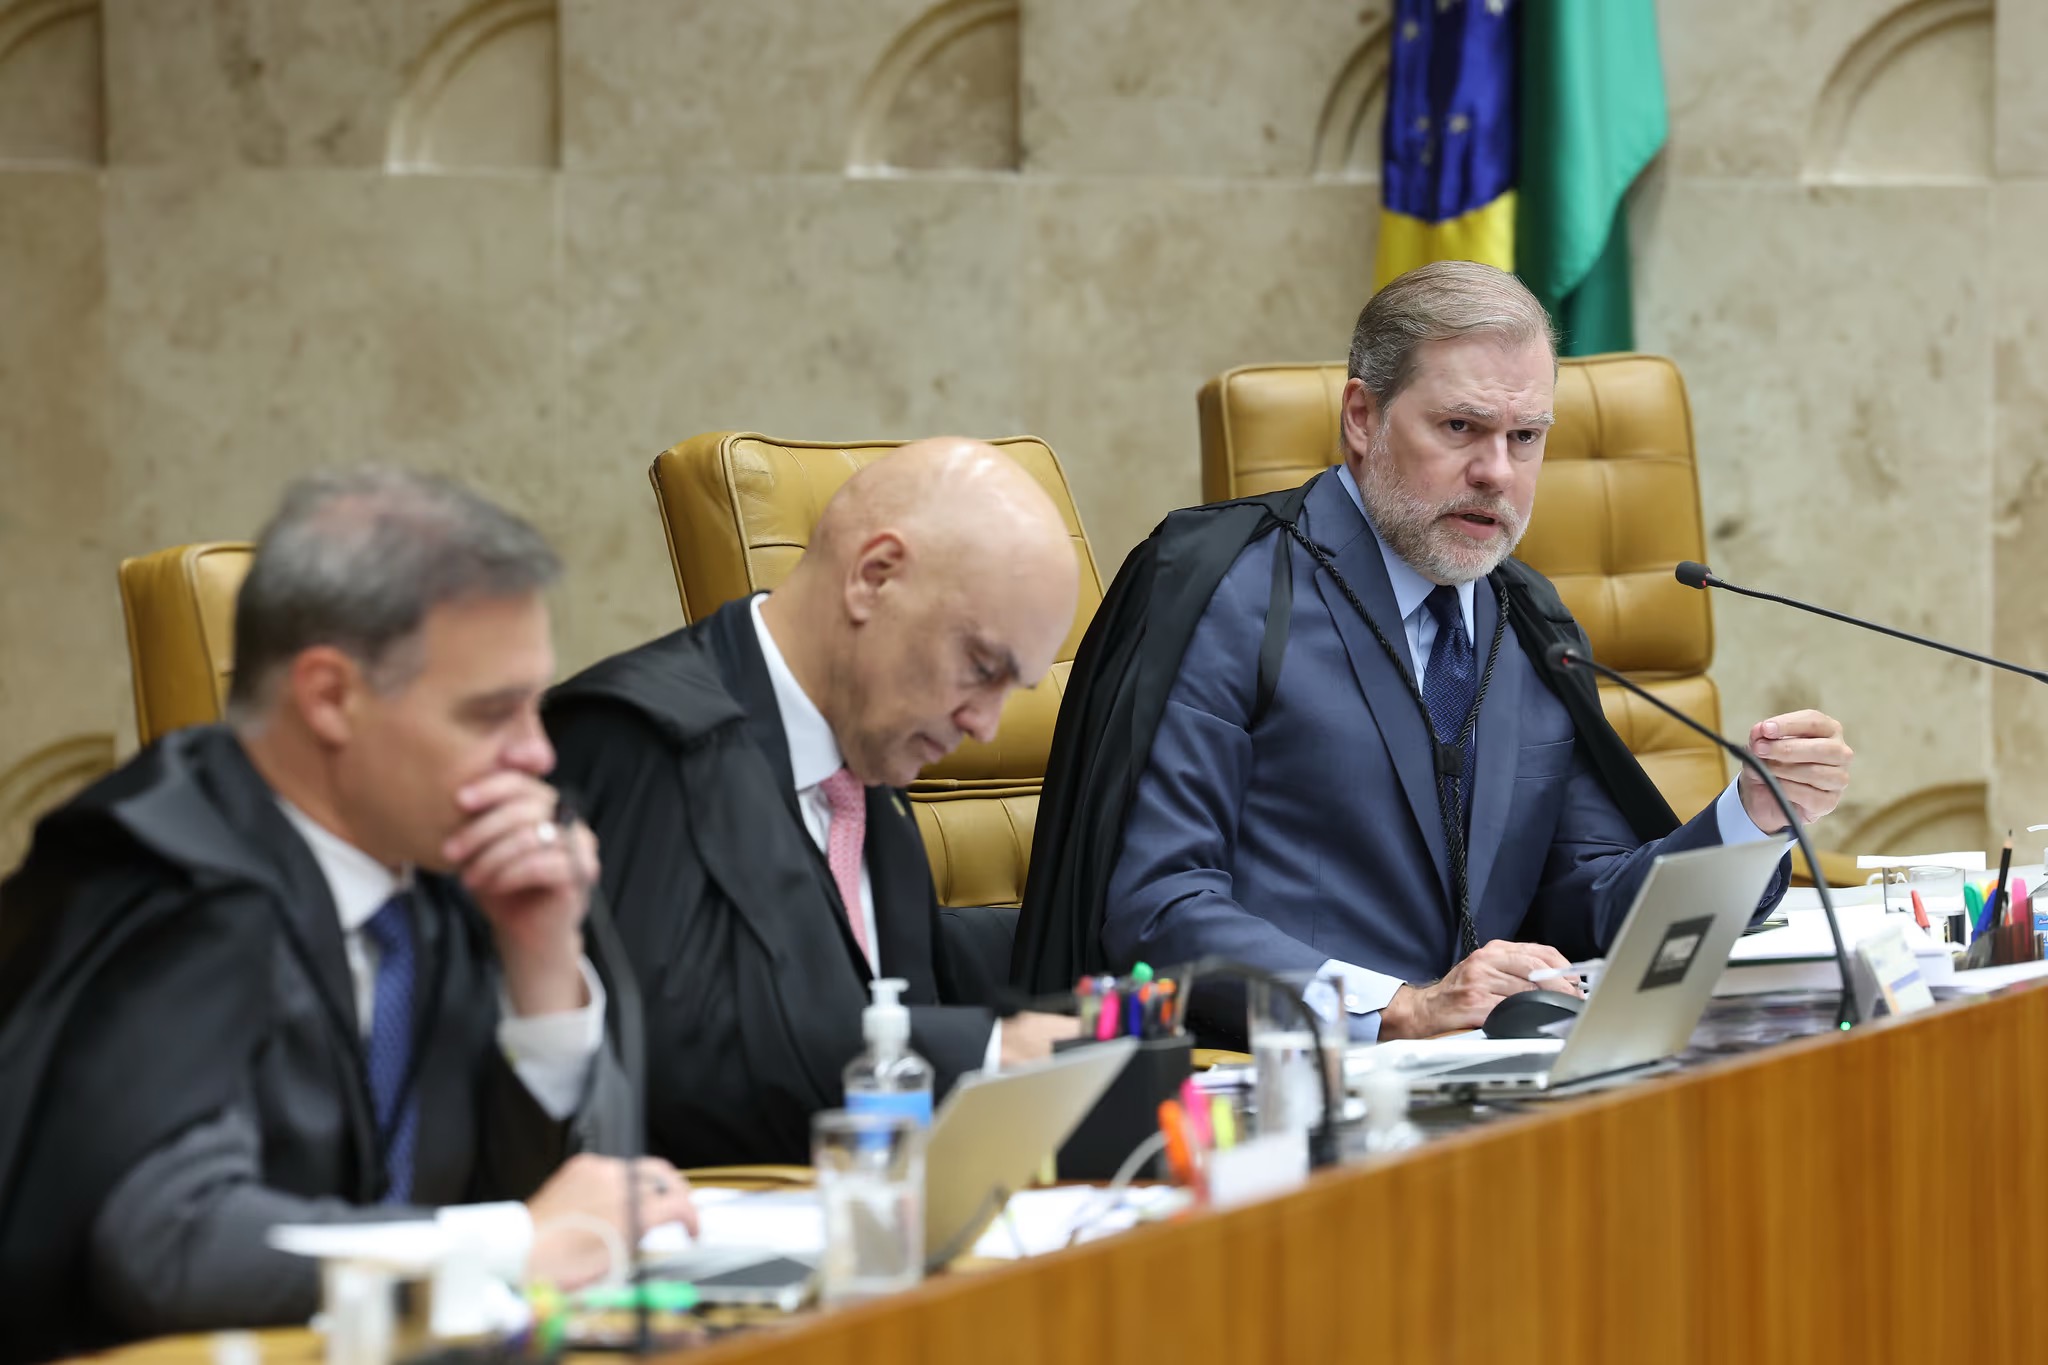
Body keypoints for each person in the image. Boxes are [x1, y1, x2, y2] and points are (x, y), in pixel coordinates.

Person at [1015, 261, 1853, 1042]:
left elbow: (1587, 901)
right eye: (1461, 427)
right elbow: (1158, 906)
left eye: (1526, 437)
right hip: (1286, 1092)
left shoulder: (1529, 622)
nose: (1497, 471)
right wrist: (1396, 1007)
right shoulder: (1225, 589)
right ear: (1361, 417)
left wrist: (1754, 820)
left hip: (1500, 1094)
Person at [0, 470, 696, 1361]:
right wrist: (513, 1244)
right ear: (330, 697)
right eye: (491, 712)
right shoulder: (169, 879)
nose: (538, 752)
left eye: (533, 702)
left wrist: (540, 964)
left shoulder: (430, 870)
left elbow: (545, 1200)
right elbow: (171, 1244)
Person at [546, 438, 1083, 1167]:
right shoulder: (639, 738)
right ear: (875, 576)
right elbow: (679, 1066)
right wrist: (988, 1048)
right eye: (981, 668)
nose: (985, 725)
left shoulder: (869, 764)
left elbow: (898, 989)